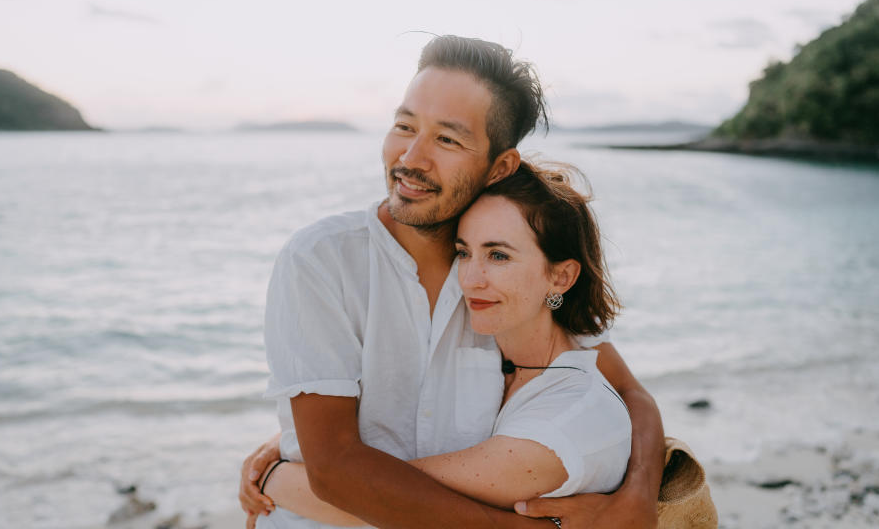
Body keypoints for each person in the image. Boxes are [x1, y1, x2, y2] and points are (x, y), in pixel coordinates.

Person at [240, 36, 664, 529]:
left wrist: (638, 496)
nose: (411, 158)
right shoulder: (321, 261)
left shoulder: (510, 279)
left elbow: (630, 394)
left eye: (447, 139)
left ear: (500, 167)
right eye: (404, 126)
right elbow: (334, 470)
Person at [251, 160, 633, 526]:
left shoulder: (565, 423)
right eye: (464, 252)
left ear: (561, 277)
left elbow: (370, 496)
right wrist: (294, 435)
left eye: (498, 255)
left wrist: (275, 477)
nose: (470, 279)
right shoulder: (503, 353)